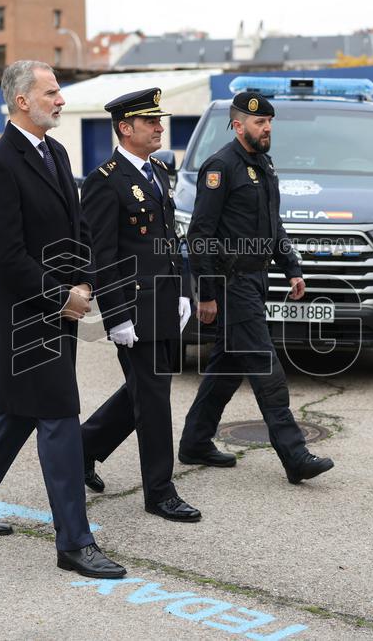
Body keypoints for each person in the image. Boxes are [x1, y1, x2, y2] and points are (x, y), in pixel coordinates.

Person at [0, 60, 125, 579]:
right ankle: (74, 542)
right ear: (22, 100)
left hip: (61, 307)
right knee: (60, 416)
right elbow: (6, 255)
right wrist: (59, 296)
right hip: (28, 317)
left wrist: (86, 281)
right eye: (52, 91)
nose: (61, 99)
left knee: (22, 411)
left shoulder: (57, 152)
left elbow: (80, 225)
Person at [179, 91, 335, 485]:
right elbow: (201, 235)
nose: (267, 128)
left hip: (255, 280)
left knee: (226, 368)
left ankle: (196, 442)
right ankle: (295, 455)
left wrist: (291, 267)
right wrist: (209, 293)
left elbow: (272, 225)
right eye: (259, 123)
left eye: (269, 122)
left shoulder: (263, 164)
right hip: (231, 286)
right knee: (268, 369)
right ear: (238, 125)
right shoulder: (220, 167)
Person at [79, 88, 201, 523]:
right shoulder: (104, 180)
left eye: (158, 121)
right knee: (152, 400)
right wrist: (116, 316)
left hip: (167, 302)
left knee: (143, 390)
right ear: (125, 128)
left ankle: (82, 448)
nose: (159, 127)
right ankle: (160, 492)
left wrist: (185, 290)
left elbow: (171, 240)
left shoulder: (156, 171)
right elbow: (101, 255)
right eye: (150, 122)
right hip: (134, 309)